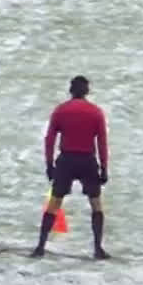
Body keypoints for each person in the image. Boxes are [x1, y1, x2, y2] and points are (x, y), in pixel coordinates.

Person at [35, 75, 111, 260]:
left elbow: (50, 139)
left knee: (54, 203)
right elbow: (102, 142)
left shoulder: (61, 111)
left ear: (71, 90)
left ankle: (40, 247)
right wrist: (104, 168)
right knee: (95, 204)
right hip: (87, 160)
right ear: (87, 91)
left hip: (66, 160)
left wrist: (49, 164)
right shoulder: (95, 112)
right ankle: (97, 248)